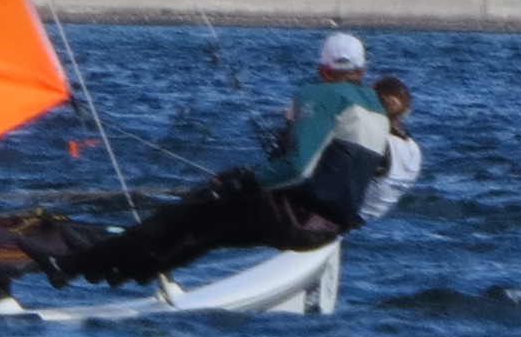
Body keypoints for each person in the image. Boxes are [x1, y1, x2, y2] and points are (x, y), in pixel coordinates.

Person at [53, 33, 392, 288]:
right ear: (363, 69)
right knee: (209, 230)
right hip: (327, 232)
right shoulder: (377, 107)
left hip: (293, 219)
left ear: (323, 69)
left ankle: (74, 266)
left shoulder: (320, 94)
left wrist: (241, 183)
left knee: (178, 216)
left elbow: (296, 166)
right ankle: (131, 272)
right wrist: (244, 178)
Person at [360, 73, 422, 225]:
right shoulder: (413, 147)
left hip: (357, 219)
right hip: (384, 220)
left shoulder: (375, 142)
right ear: (407, 109)